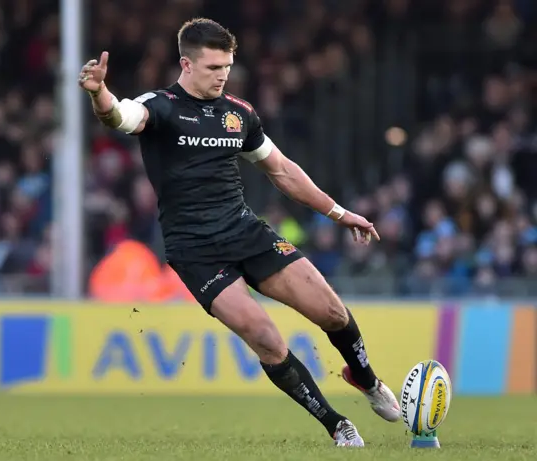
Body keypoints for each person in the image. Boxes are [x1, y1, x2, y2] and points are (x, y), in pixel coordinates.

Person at [78, 18, 400, 447]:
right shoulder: (160, 107)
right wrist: (100, 93)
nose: (223, 75)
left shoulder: (238, 113)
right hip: (195, 250)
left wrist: (340, 214)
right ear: (186, 64)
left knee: (332, 313)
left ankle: (365, 378)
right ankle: (336, 423)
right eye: (213, 68)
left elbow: (281, 170)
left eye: (227, 66)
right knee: (266, 339)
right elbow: (120, 116)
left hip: (244, 230)